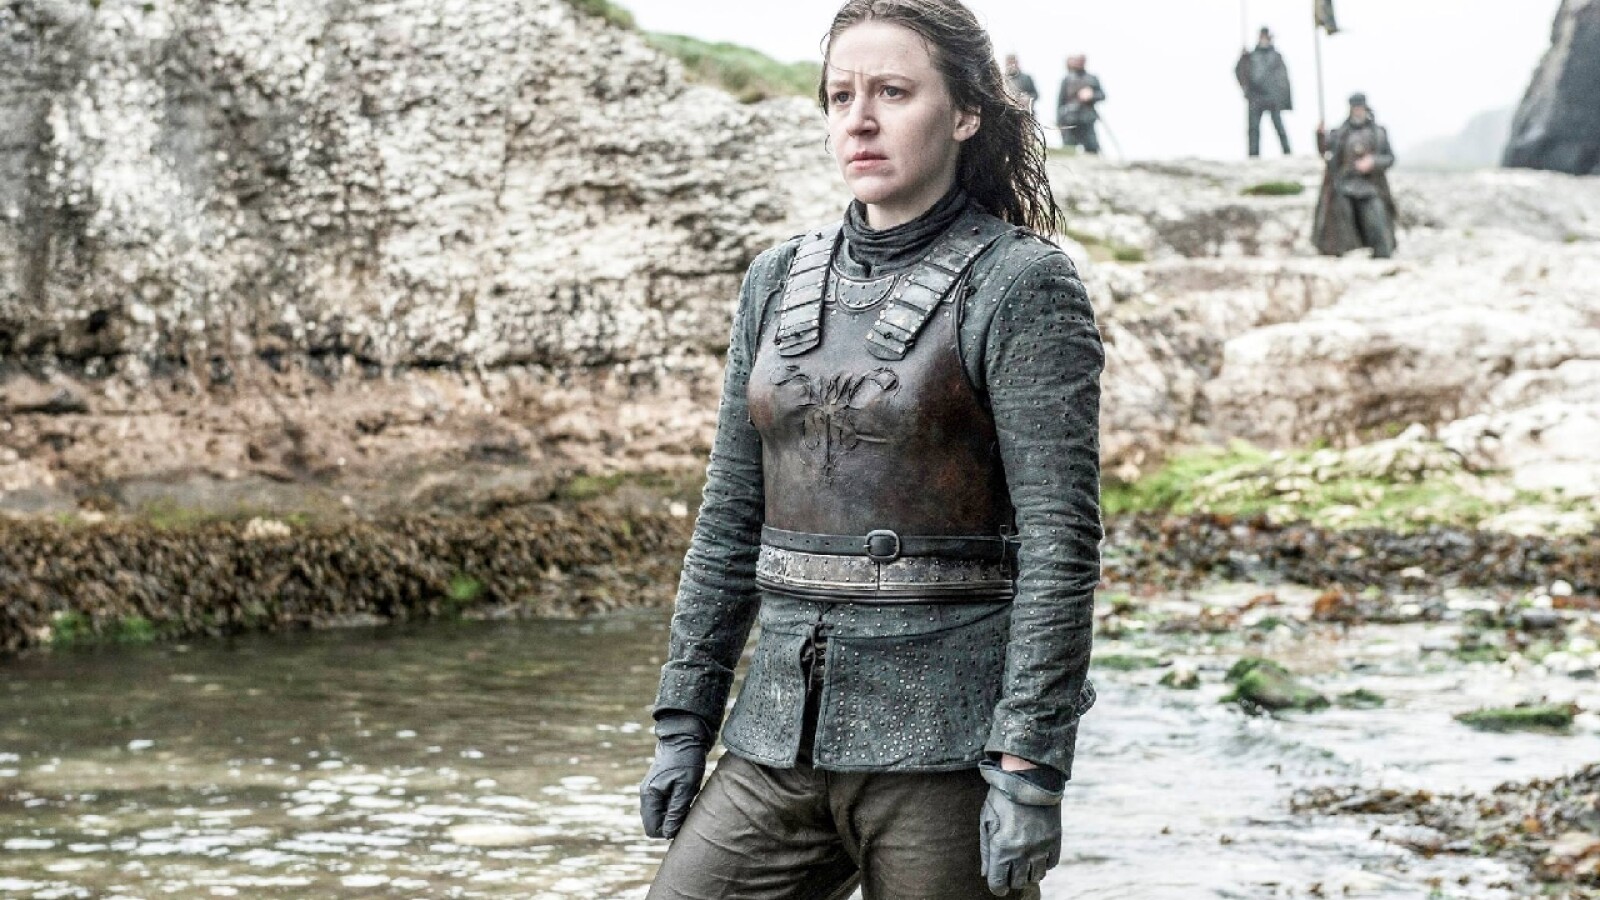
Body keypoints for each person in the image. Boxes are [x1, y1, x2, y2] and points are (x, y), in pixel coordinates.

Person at [638, 1, 1103, 897]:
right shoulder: (775, 279)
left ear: (965, 113)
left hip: (946, 747)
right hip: (777, 733)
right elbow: (730, 519)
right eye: (840, 95)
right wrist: (684, 717)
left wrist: (1032, 764)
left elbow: (1062, 544)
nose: (859, 119)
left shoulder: (1022, 285)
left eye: (892, 92)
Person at [1313, 92, 1398, 258]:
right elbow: (1325, 150)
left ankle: (1382, 255)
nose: (1358, 111)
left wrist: (1373, 162)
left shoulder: (1378, 133)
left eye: (1360, 108)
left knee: (1376, 222)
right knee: (1338, 222)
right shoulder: (1340, 133)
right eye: (1355, 108)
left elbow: (1389, 158)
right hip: (1344, 186)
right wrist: (1320, 135)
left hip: (1370, 186)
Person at [1235, 27, 1292, 156]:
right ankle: (1253, 155)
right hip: (1255, 96)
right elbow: (1239, 71)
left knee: (1279, 126)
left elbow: (1282, 78)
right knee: (1253, 129)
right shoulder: (1250, 56)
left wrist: (1281, 96)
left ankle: (1287, 153)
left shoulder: (1276, 57)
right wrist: (1242, 59)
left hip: (1272, 97)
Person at [1055, 54, 1105, 154]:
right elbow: (1060, 102)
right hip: (1070, 119)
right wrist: (1059, 122)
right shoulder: (1067, 80)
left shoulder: (1092, 78)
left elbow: (1102, 95)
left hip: (1087, 119)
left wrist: (1091, 95)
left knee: (1092, 148)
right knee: (1069, 149)